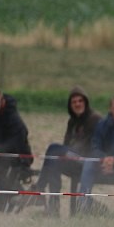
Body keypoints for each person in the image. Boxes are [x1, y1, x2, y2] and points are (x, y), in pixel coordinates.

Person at [34, 87, 101, 217]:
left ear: (85, 102)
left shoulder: (95, 119)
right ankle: (54, 207)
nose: (77, 104)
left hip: (87, 162)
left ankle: (39, 189)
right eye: (74, 102)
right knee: (53, 163)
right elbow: (66, 144)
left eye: (80, 101)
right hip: (73, 158)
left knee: (53, 149)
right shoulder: (72, 121)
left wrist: (70, 153)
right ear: (70, 105)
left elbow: (95, 146)